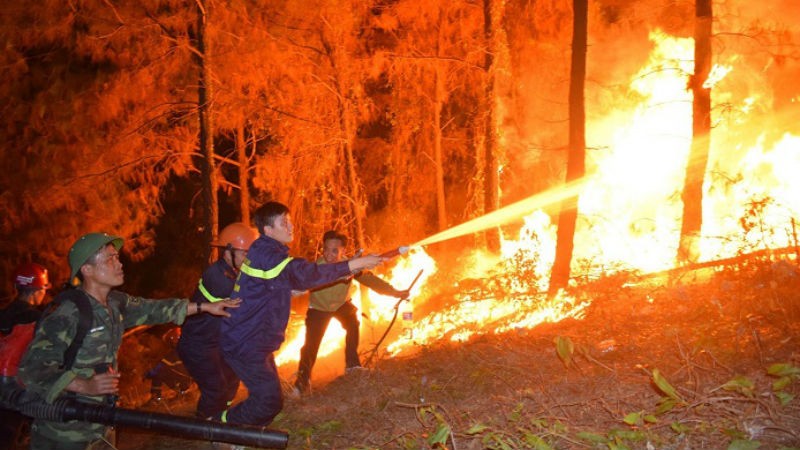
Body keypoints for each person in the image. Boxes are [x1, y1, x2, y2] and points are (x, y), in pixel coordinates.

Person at [17, 232, 240, 450]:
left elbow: (156, 309)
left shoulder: (115, 303)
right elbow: (32, 369)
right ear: (87, 270)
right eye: (110, 258)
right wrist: (84, 385)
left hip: (102, 426)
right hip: (63, 433)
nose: (119, 263)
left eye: (117, 256)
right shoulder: (67, 313)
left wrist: (206, 307)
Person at [218, 201, 385, 426]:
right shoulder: (269, 256)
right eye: (283, 223)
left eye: (290, 221)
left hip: (253, 339)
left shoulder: (264, 252)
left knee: (269, 399)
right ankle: (222, 427)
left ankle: (243, 429)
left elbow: (278, 285)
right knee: (269, 402)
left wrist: (344, 271)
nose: (291, 226)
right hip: (246, 342)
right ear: (268, 230)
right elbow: (304, 273)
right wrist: (356, 263)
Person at [293, 230, 408, 394]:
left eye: (334, 251)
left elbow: (370, 280)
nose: (329, 254)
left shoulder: (350, 266)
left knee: (352, 323)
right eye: (326, 249)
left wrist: (395, 292)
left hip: (341, 305)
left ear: (343, 252)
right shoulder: (316, 268)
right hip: (318, 309)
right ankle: (301, 383)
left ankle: (353, 366)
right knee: (311, 345)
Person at [177, 222, 258, 418]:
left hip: (214, 343)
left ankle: (221, 415)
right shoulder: (217, 277)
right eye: (245, 254)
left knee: (231, 378)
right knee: (216, 388)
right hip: (197, 345)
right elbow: (249, 301)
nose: (249, 259)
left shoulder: (233, 272)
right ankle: (208, 426)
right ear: (228, 250)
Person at [1, 263, 51, 450]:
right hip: (17, 391)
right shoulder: (38, 319)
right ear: (37, 291)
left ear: (16, 288)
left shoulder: (3, 314)